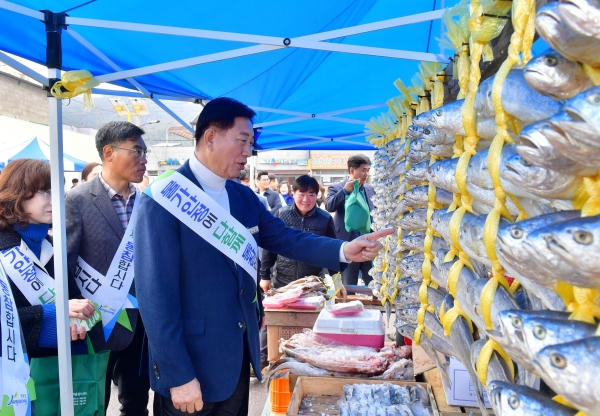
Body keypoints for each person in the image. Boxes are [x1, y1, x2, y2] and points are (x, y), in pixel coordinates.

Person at [134, 97, 392, 416]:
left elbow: (285, 237)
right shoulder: (163, 198)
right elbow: (155, 296)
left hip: (237, 359)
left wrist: (342, 249)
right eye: (242, 141)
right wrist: (177, 375)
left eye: (251, 144)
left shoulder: (242, 197)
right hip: (191, 369)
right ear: (210, 137)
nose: (248, 152)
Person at [66, 121, 151, 415]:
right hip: (95, 323)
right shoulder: (77, 201)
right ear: (109, 153)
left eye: (145, 151)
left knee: (137, 402)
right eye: (136, 151)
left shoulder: (146, 203)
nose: (144, 159)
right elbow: (65, 264)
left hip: (140, 323)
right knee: (94, 401)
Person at [0, 159, 96, 359]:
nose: (56, 200)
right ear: (17, 192)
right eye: (46, 192)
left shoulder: (51, 244)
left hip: (60, 366)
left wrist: (79, 316)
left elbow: (72, 298)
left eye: (58, 192)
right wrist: (52, 316)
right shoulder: (4, 248)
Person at [326, 154, 375, 286]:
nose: (366, 174)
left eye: (368, 170)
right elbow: (329, 206)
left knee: (373, 286)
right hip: (347, 244)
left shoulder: (370, 189)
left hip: (369, 246)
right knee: (348, 286)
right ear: (352, 170)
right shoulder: (336, 188)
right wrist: (344, 192)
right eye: (363, 170)